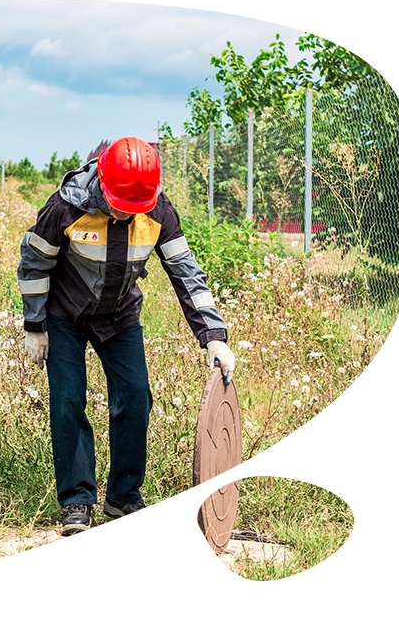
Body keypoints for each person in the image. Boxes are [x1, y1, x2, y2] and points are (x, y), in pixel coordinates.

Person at [17, 136, 236, 536]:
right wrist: (35, 325)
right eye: (120, 204)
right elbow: (33, 263)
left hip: (119, 316)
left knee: (136, 397)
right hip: (65, 316)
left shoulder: (159, 209)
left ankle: (122, 497)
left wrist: (214, 335)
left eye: (135, 207)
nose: (125, 212)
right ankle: (76, 502)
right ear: (102, 182)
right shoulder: (65, 207)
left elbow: (185, 272)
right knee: (68, 401)